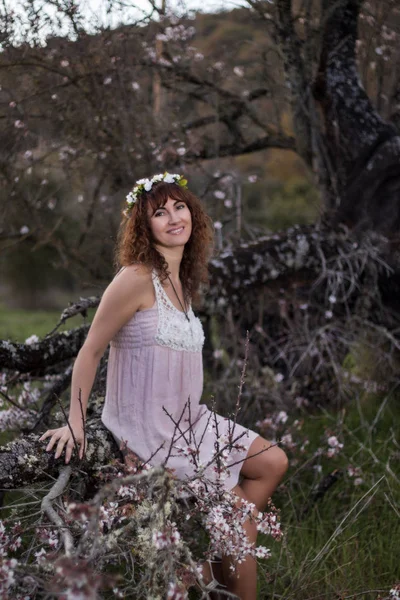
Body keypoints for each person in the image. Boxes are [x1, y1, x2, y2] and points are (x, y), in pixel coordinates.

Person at [39, 172, 288, 599]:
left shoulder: (180, 281)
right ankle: (219, 571)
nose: (174, 217)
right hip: (149, 432)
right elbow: (90, 351)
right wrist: (76, 423)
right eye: (160, 212)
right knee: (234, 520)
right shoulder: (136, 277)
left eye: (179, 207)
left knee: (273, 461)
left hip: (191, 422)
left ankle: (211, 568)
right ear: (144, 225)